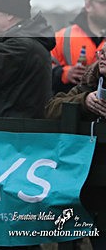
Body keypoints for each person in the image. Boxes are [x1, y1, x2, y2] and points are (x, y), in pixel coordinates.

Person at [45, 47, 106, 250]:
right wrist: (83, 102)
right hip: (85, 179)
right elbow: (52, 108)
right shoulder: (91, 79)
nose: (103, 55)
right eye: (102, 52)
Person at [50, 0, 106, 94]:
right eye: (103, 3)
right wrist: (63, 73)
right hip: (71, 104)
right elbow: (42, 69)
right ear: (88, 6)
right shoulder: (63, 36)